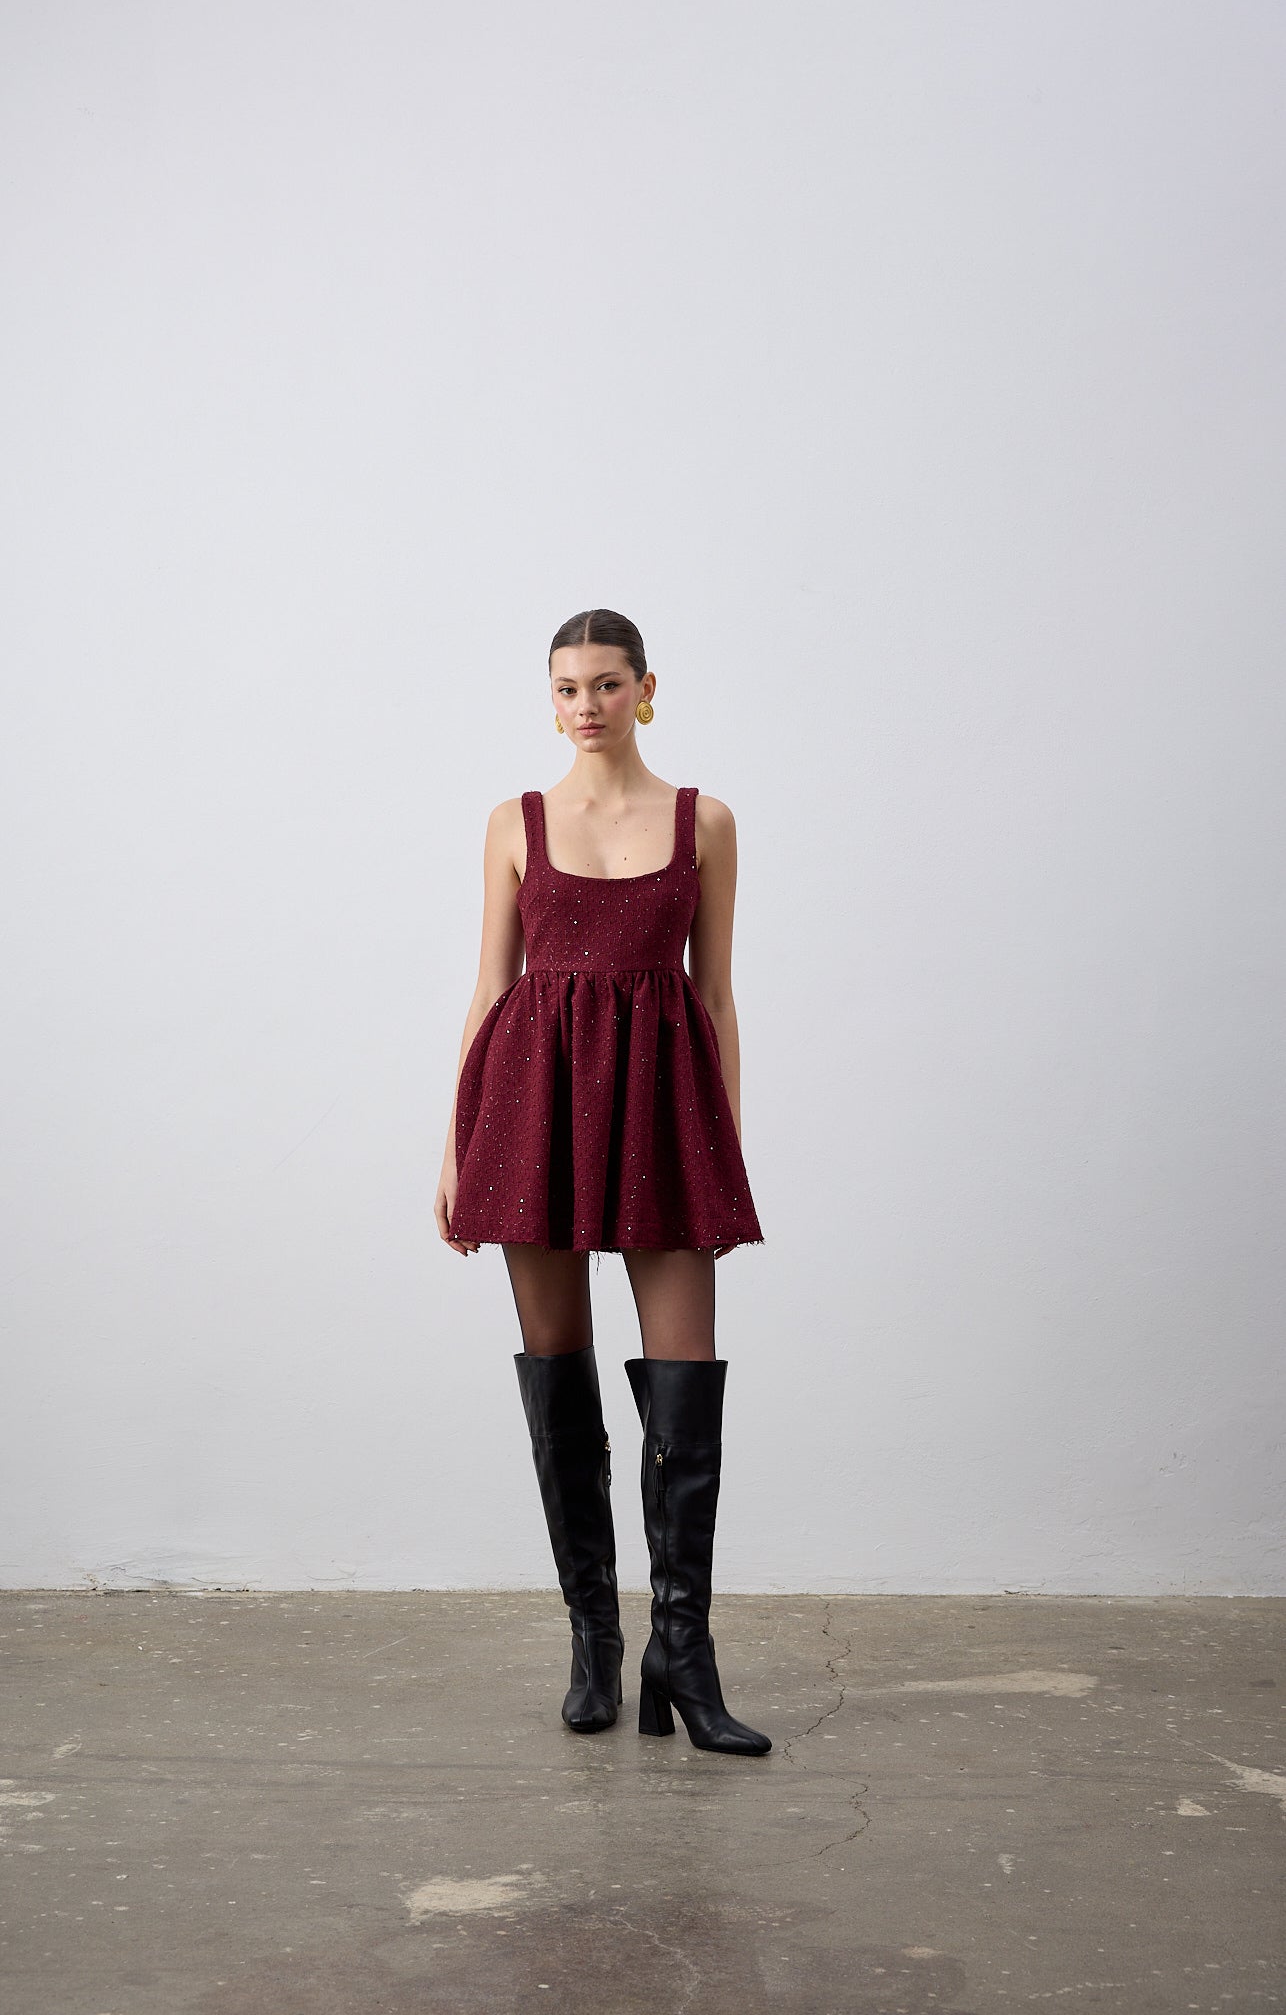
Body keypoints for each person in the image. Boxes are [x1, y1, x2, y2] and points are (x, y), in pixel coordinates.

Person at [433, 608, 771, 1758]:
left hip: (665, 1111)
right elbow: (491, 987)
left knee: (686, 1378)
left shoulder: (703, 821)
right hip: (532, 1106)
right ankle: (594, 1638)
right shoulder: (515, 822)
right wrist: (456, 1144)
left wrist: (725, 1141)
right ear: (551, 699)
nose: (587, 704)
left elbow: (714, 995)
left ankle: (684, 1649)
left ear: (646, 688)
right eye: (568, 687)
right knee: (558, 1371)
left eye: (607, 683)